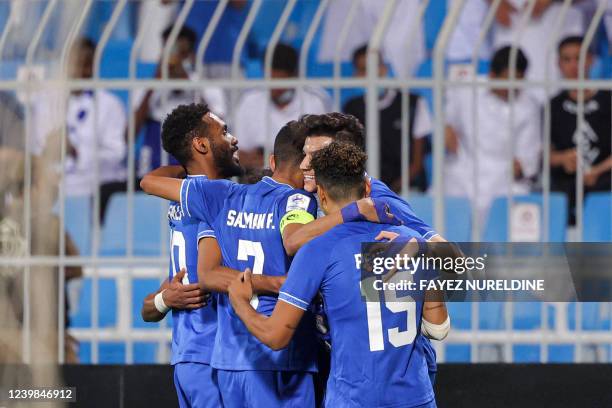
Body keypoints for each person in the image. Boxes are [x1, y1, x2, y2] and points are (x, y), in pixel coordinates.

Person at [228, 142, 449, 407]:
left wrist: (241, 303)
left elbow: (276, 336)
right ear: (367, 189)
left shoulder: (318, 250)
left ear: (320, 194)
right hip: (415, 399)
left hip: (353, 399)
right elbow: (438, 329)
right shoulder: (410, 242)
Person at [294, 112, 451, 387]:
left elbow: (449, 254)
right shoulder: (307, 195)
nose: (304, 164)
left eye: (314, 156)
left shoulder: (377, 200)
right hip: (344, 361)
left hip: (393, 366)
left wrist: (410, 258)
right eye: (303, 154)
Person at [140, 103, 242, 408]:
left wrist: (164, 299)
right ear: (201, 144)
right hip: (215, 357)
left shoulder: (185, 197)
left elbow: (149, 310)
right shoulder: (217, 196)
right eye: (224, 132)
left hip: (189, 358)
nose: (234, 139)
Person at [443, 46, 541, 226]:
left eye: (517, 80)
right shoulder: (466, 89)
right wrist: (447, 128)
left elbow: (528, 157)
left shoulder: (529, 106)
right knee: (442, 205)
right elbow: (447, 119)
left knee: (519, 206)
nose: (511, 87)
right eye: (507, 80)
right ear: (492, 75)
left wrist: (523, 165)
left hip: (504, 177)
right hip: (464, 171)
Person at [343, 45, 432, 192]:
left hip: (408, 190)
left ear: (384, 68)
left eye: (374, 68)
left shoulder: (412, 103)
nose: (370, 75)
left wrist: (390, 192)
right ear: (356, 75)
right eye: (363, 70)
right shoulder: (351, 109)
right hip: (366, 191)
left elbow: (417, 162)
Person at [233, 43, 330, 170]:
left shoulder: (315, 101)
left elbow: (325, 150)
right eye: (271, 78)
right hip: (259, 176)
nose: (275, 87)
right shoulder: (250, 102)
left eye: (280, 79)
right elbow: (238, 153)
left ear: (294, 75)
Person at [550, 36, 612, 225]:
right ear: (558, 64)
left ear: (591, 60)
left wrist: (597, 171)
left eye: (579, 58)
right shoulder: (553, 106)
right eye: (567, 59)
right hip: (567, 189)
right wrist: (563, 158)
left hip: (606, 184)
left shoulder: (608, 100)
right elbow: (546, 153)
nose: (573, 66)